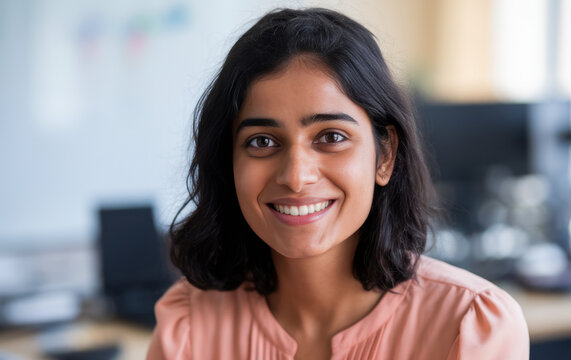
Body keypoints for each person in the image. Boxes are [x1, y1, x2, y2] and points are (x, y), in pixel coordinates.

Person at [147, 7, 529, 360]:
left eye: (330, 137)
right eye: (262, 141)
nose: (296, 177)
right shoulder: (190, 327)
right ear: (228, 160)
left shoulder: (470, 326)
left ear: (385, 156)